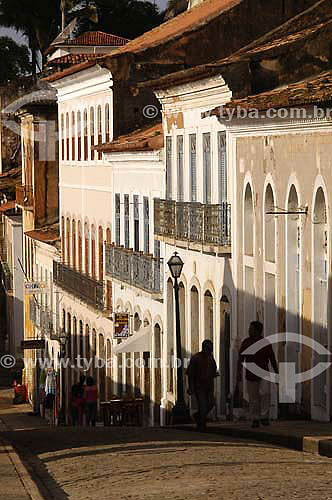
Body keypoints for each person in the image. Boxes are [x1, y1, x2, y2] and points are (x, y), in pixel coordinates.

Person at [237, 320, 278, 428]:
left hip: (264, 372)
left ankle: (264, 417)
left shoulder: (265, 343)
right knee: (253, 398)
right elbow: (241, 358)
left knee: (265, 394)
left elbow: (272, 358)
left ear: (257, 331)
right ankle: (255, 418)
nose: (249, 331)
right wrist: (239, 372)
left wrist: (277, 373)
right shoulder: (246, 342)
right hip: (251, 374)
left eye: (251, 329)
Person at [187, 339, 218, 431]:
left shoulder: (210, 358)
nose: (210, 351)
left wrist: (213, 374)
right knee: (203, 405)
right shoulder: (196, 358)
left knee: (211, 404)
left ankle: (198, 416)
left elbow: (213, 368)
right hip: (199, 386)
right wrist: (191, 387)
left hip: (209, 385)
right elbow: (190, 374)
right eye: (209, 349)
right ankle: (201, 424)